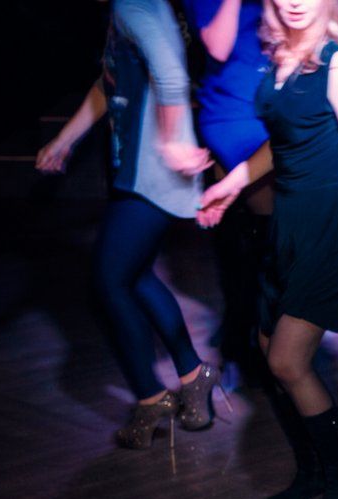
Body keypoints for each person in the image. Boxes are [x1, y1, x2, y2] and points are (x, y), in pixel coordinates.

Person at [197, 0, 338, 499]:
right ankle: (311, 473)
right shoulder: (280, 55)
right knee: (268, 351)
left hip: (333, 225)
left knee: (288, 360)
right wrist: (231, 184)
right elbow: (282, 142)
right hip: (287, 221)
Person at [36, 0, 217, 450]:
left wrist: (172, 141)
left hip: (151, 174)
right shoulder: (131, 6)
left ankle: (151, 400)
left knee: (108, 282)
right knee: (134, 277)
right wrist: (66, 139)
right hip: (137, 171)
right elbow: (109, 81)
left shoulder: (135, 6)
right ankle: (193, 376)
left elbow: (171, 75)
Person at [181, 0, 273, 385]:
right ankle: (244, 339)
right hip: (231, 115)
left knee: (267, 244)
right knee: (240, 243)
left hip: (272, 107)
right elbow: (217, 47)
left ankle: (256, 336)